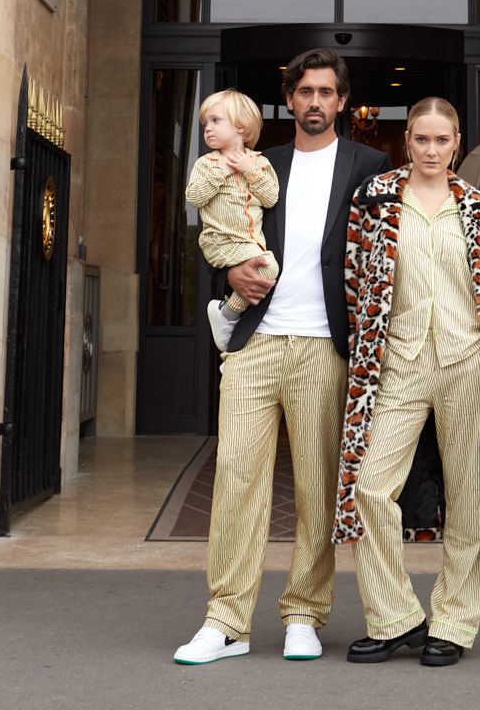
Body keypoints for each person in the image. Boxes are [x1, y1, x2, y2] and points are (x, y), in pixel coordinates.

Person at [173, 48, 390, 665]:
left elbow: (383, 253)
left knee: (319, 488)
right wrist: (229, 270)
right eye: (305, 92)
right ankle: (226, 620)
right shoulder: (258, 163)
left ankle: (304, 613)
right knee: (237, 478)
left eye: (327, 92)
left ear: (341, 102)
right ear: (289, 100)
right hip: (257, 341)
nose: (315, 102)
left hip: (327, 346)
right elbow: (214, 227)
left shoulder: (370, 164)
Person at [333, 97, 480, 667]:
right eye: (421, 139)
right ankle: (394, 617)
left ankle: (453, 621)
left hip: (469, 362)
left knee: (468, 495)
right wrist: (364, 355)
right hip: (398, 361)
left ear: (457, 143)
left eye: (442, 140)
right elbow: (355, 286)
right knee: (370, 487)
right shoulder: (374, 202)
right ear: (407, 140)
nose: (431, 150)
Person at [185, 89, 280, 352]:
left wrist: (250, 172)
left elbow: (271, 198)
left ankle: (227, 312)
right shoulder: (207, 163)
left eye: (216, 121)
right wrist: (223, 171)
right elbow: (194, 197)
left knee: (267, 268)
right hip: (221, 241)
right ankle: (228, 314)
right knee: (269, 269)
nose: (208, 129)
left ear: (241, 126)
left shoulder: (259, 163)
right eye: (205, 124)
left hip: (249, 243)